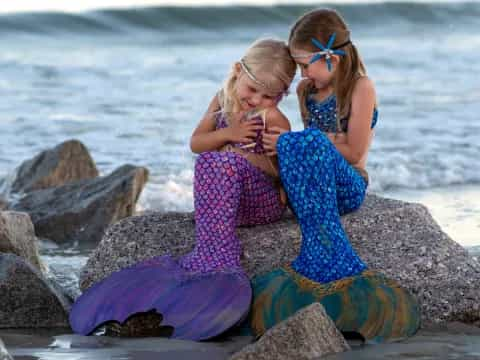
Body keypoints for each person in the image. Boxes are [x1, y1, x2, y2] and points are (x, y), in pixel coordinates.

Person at [69, 39, 296, 341]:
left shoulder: (274, 119)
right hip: (229, 201)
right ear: (238, 71)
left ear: (282, 97)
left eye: (269, 96)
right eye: (252, 89)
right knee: (209, 159)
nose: (256, 100)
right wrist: (229, 134)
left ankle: (220, 255)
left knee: (221, 161)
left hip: (261, 201)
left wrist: (246, 155)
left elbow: (282, 173)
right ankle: (210, 248)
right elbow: (196, 142)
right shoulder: (221, 102)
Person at [251, 9, 420, 343]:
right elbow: (312, 155)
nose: (302, 74)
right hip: (317, 186)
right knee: (297, 144)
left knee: (307, 140)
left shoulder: (360, 87)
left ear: (332, 57)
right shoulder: (306, 92)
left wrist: (309, 142)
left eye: (304, 64)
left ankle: (331, 257)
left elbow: (354, 151)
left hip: (348, 184)